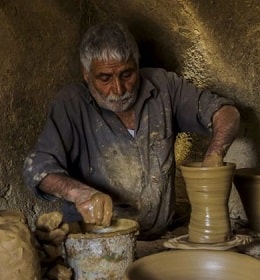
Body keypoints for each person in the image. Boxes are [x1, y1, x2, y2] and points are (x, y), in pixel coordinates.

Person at [23, 21, 240, 239]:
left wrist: (215, 154)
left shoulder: (163, 86)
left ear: (137, 65)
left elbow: (226, 112)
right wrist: (78, 193)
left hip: (158, 237)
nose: (118, 89)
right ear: (86, 75)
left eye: (127, 74)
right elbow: (38, 168)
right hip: (98, 241)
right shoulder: (71, 104)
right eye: (105, 78)